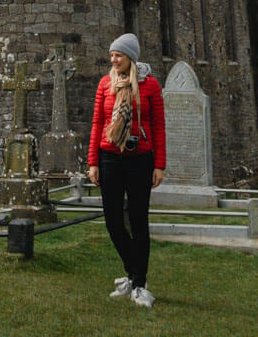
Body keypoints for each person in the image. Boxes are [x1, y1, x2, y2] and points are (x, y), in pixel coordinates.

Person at [87, 33, 166, 309]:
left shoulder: (150, 86)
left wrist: (159, 165)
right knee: (112, 221)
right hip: (109, 157)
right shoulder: (105, 84)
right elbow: (97, 123)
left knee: (138, 221)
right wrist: (93, 162)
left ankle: (139, 283)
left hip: (140, 160)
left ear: (130, 57)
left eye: (118, 55)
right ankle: (133, 274)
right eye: (111, 55)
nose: (113, 59)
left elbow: (158, 127)